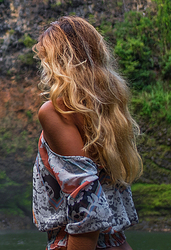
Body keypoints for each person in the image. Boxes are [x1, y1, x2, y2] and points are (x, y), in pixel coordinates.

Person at [32, 16, 143, 250]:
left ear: (58, 61)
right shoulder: (109, 112)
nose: (43, 66)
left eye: (44, 59)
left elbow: (87, 206)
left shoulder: (56, 111)